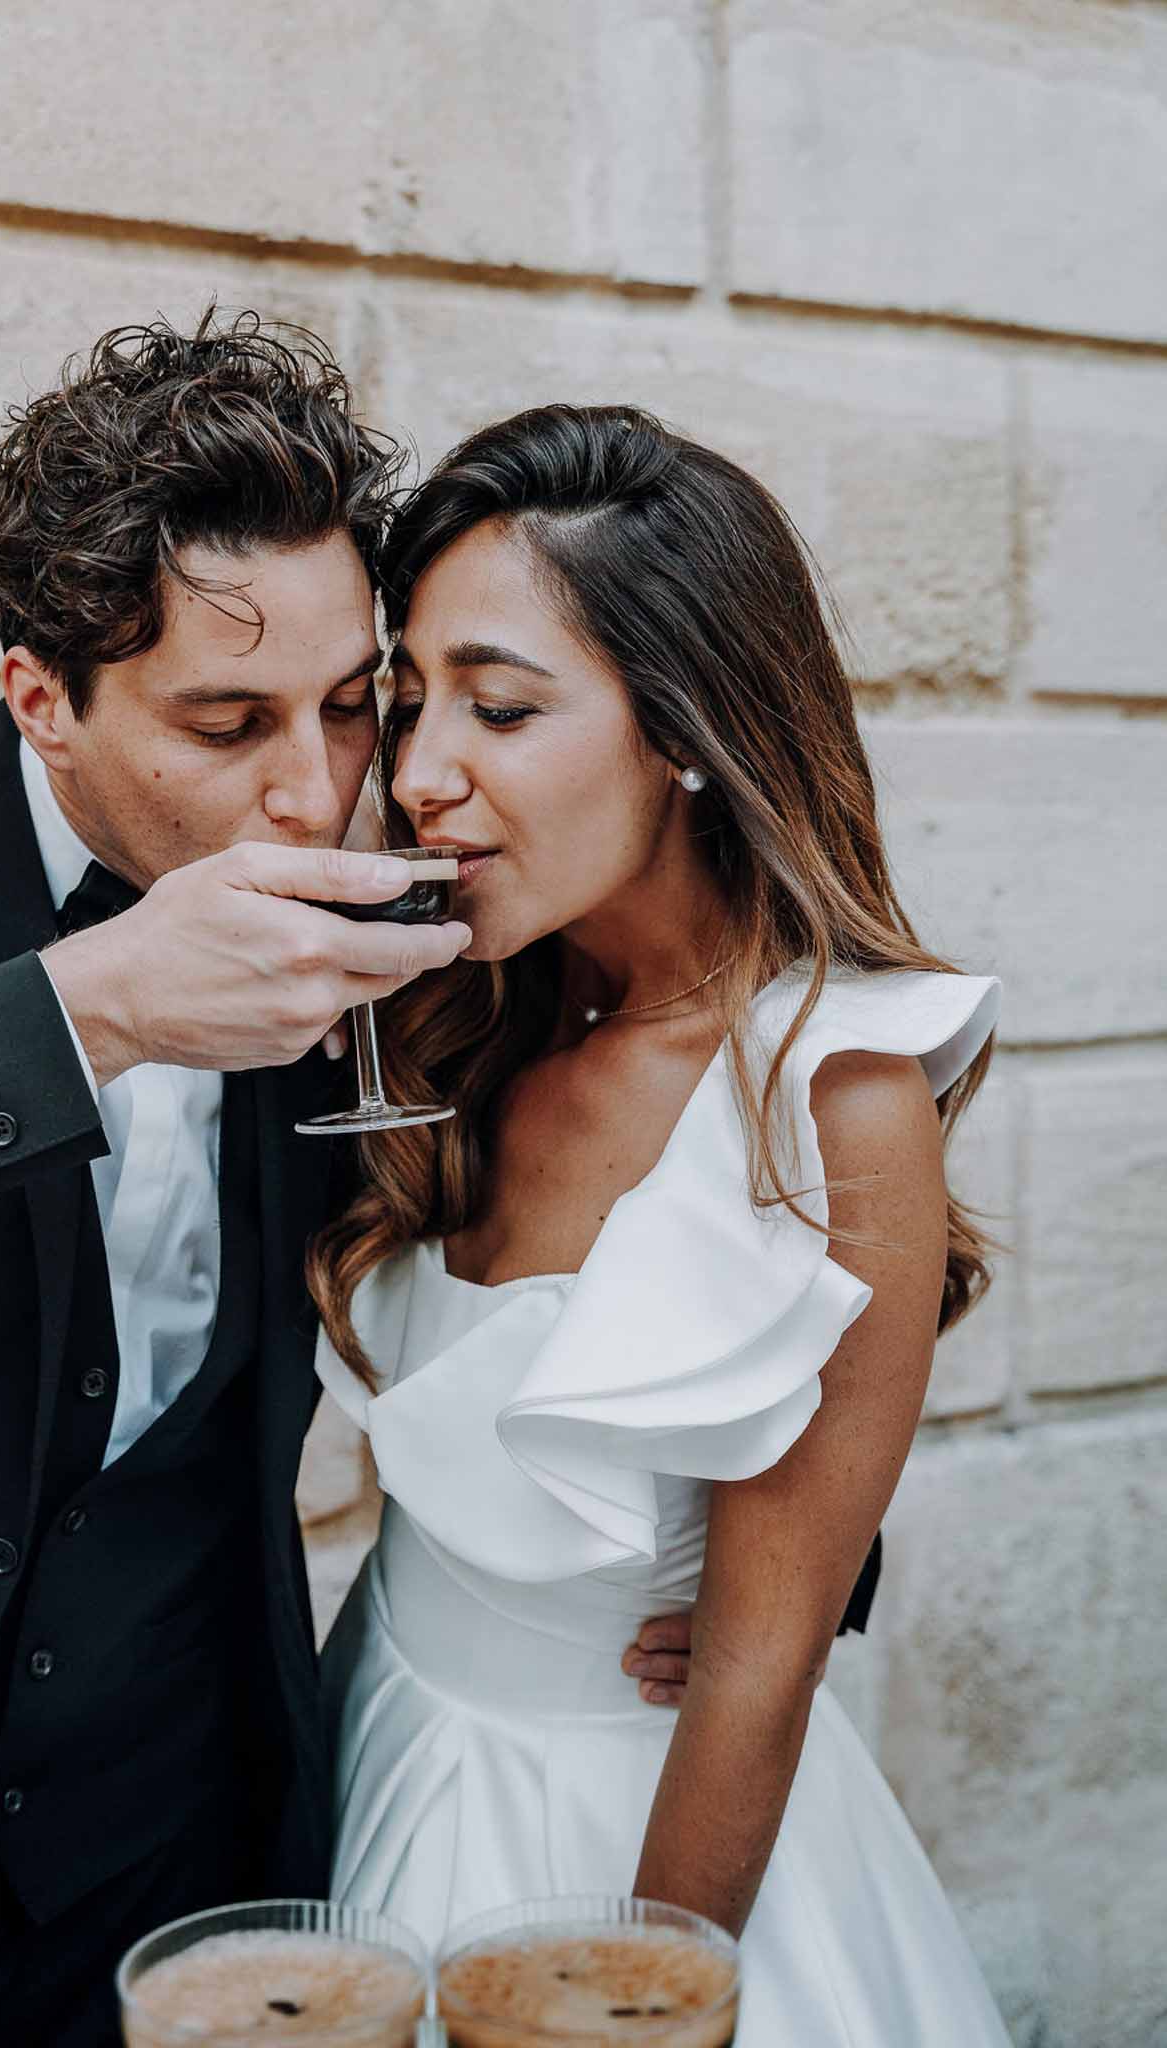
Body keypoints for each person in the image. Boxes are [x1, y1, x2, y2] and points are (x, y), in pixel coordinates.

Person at [0, 310, 476, 2048]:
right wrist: (78, 1011)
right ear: (40, 694)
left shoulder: (362, 907)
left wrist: (719, 1566)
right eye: (226, 720)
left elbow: (589, 1183)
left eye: (345, 706)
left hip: (185, 1859)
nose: (312, 789)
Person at [309, 405, 1013, 2043]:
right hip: (374, 1753)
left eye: (499, 706)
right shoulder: (458, 1024)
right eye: (409, 703)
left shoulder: (829, 1102)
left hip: (622, 1849)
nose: (416, 777)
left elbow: (754, 1686)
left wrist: (635, 2000)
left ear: (687, 730)